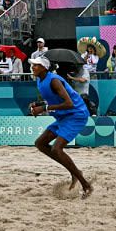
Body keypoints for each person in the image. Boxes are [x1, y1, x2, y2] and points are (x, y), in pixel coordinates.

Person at [28, 54, 93, 198]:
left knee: (57, 149)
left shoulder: (54, 81)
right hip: (64, 116)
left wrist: (44, 109)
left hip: (77, 115)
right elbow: (52, 100)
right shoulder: (40, 79)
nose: (32, 67)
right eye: (32, 64)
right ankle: (74, 172)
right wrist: (37, 105)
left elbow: (69, 104)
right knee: (40, 143)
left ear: (44, 68)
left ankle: (86, 184)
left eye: (36, 65)